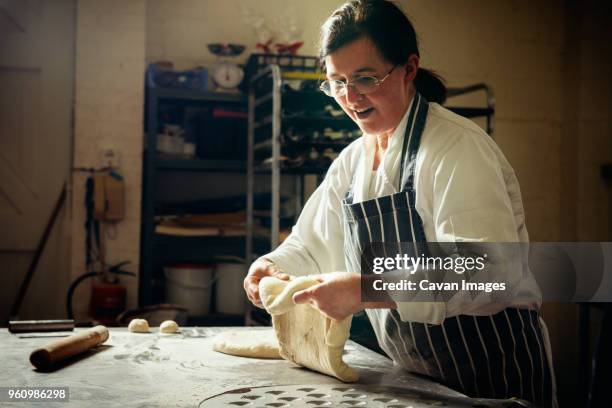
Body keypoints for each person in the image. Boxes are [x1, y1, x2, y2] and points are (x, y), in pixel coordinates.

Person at [243, 0, 556, 406]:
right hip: (415, 382)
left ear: (409, 69)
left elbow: (489, 270)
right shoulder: (353, 161)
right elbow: (312, 243)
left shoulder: (456, 148)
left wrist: (368, 289)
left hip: (494, 379)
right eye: (337, 82)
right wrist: (274, 266)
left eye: (366, 78)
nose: (350, 97)